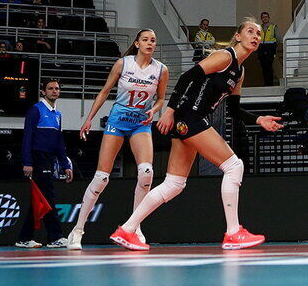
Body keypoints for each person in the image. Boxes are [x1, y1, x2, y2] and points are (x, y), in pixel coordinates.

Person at [110, 17, 282, 251]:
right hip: (189, 117)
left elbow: (233, 110)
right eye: (251, 31)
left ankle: (127, 229)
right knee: (234, 166)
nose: (256, 36)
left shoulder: (239, 72)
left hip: (189, 120)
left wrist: (258, 119)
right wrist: (169, 110)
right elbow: (186, 77)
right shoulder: (225, 57)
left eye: (259, 34)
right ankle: (233, 233)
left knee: (174, 184)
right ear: (238, 36)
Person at [65, 30, 168, 250]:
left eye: (153, 40)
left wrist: (155, 110)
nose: (150, 43)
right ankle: (77, 230)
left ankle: (134, 227)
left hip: (140, 123)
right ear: (137, 43)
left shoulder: (161, 69)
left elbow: (161, 98)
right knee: (101, 177)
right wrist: (89, 119)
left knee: (146, 173)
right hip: (117, 122)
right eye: (145, 40)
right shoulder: (123, 63)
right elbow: (104, 92)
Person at [17, 79, 74, 249]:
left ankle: (25, 237)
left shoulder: (57, 114)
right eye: (50, 88)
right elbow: (27, 137)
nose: (54, 91)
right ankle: (54, 237)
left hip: (49, 159)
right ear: (43, 92)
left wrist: (65, 165)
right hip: (38, 158)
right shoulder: (36, 110)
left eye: (57, 88)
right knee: (47, 196)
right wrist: (28, 162)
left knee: (41, 199)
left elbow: (59, 143)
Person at [257, 11, 281, 86]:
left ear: (269, 18)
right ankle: (266, 83)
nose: (265, 18)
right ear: (261, 19)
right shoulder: (259, 28)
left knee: (269, 66)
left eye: (266, 17)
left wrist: (274, 47)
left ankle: (270, 84)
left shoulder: (273, 27)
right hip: (261, 48)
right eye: (263, 17)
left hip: (270, 48)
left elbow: (278, 38)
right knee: (263, 67)